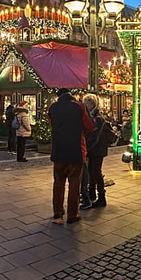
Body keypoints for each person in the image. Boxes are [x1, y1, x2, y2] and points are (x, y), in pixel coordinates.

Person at [48, 88, 94, 225]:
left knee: (58, 182)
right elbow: (89, 126)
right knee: (74, 183)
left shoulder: (53, 107)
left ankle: (57, 212)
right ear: (71, 95)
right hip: (76, 149)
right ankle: (73, 214)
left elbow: (51, 122)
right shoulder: (79, 106)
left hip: (58, 150)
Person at [82, 94, 109, 208]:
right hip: (95, 149)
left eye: (86, 103)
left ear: (91, 103)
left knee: (96, 172)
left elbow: (95, 136)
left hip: (97, 149)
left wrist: (88, 148)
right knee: (92, 172)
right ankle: (92, 194)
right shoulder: (91, 116)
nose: (84, 105)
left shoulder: (98, 118)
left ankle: (101, 197)